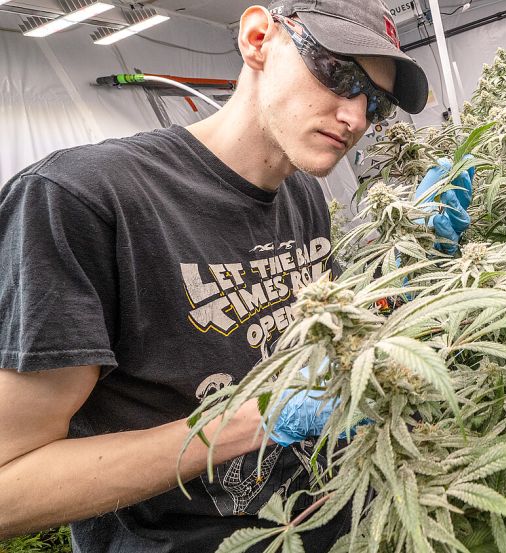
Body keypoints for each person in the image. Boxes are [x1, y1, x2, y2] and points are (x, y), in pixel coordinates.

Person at [0, 0, 473, 550]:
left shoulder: (301, 193)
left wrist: (403, 271)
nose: (356, 117)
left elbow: (307, 343)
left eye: (377, 103)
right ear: (257, 38)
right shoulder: (79, 199)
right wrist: (257, 421)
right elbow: (11, 486)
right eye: (339, 74)